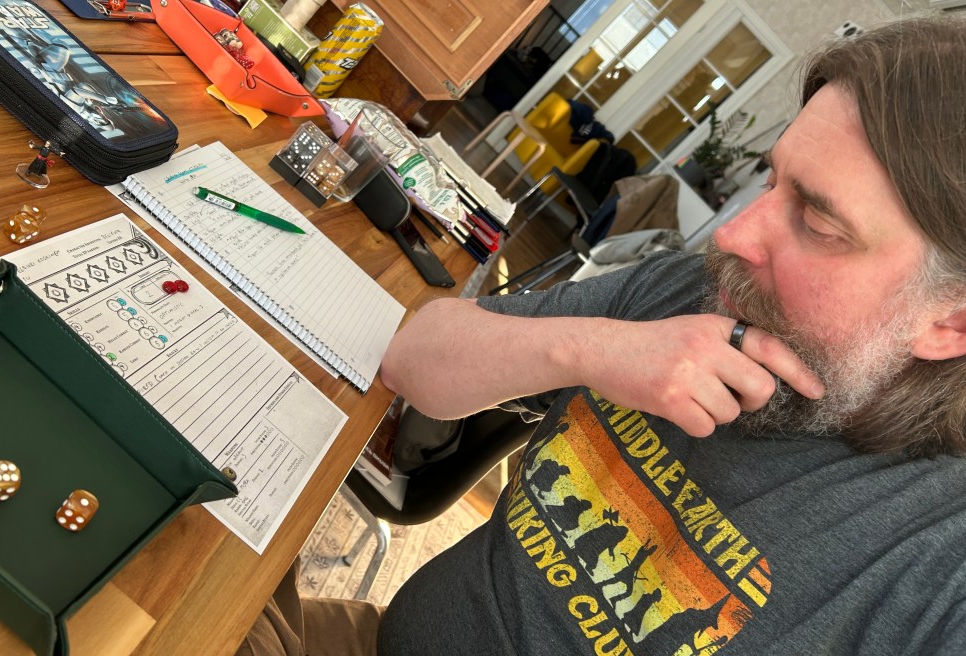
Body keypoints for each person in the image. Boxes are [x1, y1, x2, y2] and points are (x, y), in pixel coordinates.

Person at [244, 16, 966, 655]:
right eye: (771, 181)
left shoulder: (936, 560)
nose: (734, 235)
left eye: (818, 222)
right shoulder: (692, 295)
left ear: (950, 319)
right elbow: (412, 357)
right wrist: (590, 348)